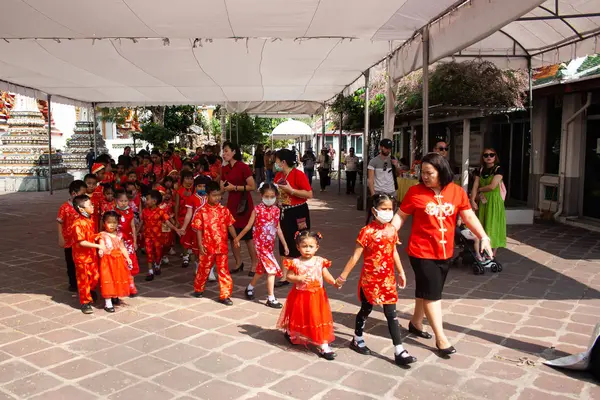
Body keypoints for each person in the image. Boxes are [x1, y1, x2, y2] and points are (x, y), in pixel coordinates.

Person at [391, 152, 493, 355]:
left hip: (445, 250)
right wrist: (389, 233)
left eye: (430, 173)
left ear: (441, 171)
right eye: (423, 173)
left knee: (427, 289)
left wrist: (483, 236)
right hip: (421, 251)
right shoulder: (415, 192)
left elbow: (468, 215)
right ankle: (441, 338)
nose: (425, 177)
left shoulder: (456, 192)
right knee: (433, 295)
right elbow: (401, 215)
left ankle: (416, 323)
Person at [336, 194, 416, 366]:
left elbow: (393, 251)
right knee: (366, 309)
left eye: (390, 209)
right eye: (383, 209)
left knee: (391, 315)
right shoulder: (366, 232)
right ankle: (357, 338)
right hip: (370, 280)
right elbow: (355, 256)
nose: (387, 212)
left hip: (387, 279)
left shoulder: (392, 231)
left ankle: (399, 349)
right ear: (374, 210)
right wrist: (343, 276)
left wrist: (401, 271)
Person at [276, 231, 336, 360]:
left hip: (317, 296)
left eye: (311, 246)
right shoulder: (295, 262)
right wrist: (298, 277)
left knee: (317, 318)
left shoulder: (320, 261)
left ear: (316, 247)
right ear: (298, 247)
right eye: (304, 246)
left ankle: (323, 344)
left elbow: (326, 275)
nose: (307, 249)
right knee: (299, 316)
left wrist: (334, 282)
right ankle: (292, 332)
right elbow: (289, 276)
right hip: (300, 295)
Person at [236, 183, 289, 308]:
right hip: (260, 245)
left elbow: (278, 228)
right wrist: (237, 238)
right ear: (261, 195)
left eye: (272, 196)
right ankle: (271, 298)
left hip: (269, 245)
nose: (269, 199)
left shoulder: (277, 210)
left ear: (276, 196)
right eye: (267, 196)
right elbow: (249, 226)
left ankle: (250, 287)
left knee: (261, 269)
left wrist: (285, 245)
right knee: (271, 270)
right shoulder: (257, 209)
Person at [191, 181, 237, 306]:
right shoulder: (201, 212)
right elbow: (199, 229)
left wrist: (235, 238)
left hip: (221, 247)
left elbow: (230, 225)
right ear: (207, 196)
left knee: (223, 271)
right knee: (203, 268)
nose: (217, 198)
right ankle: (198, 289)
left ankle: (225, 295)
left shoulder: (224, 210)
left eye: (218, 195)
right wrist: (200, 245)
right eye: (214, 195)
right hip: (207, 247)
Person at [273, 148, 313, 288]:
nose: (275, 163)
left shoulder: (298, 175)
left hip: (298, 212)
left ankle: (301, 271)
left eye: (277, 160)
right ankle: (284, 275)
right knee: (283, 241)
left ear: (283, 162)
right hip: (283, 211)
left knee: (299, 240)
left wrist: (292, 191)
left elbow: (309, 194)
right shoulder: (278, 175)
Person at [220, 141, 258, 275]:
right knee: (232, 236)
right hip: (231, 205)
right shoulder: (224, 168)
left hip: (244, 204)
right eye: (223, 151)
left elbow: (252, 186)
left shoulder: (243, 167)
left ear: (234, 151)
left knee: (248, 237)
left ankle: (254, 264)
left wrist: (234, 188)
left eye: (226, 150)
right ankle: (238, 263)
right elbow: (222, 188)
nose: (224, 154)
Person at [71, 195, 105, 314]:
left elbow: (89, 237)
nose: (92, 206)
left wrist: (100, 235)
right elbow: (82, 242)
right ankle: (85, 302)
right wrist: (98, 246)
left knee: (95, 277)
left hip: (91, 256)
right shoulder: (77, 224)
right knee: (83, 280)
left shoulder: (89, 220)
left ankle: (89, 292)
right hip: (82, 258)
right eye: (90, 205)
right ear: (81, 209)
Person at [471, 148, 507, 256]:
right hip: (483, 201)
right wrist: (472, 199)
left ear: (495, 157)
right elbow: (475, 185)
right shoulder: (480, 170)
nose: (489, 157)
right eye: (486, 155)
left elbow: (492, 186)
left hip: (494, 201)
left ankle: (492, 252)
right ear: (482, 157)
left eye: (491, 155)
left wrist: (480, 190)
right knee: (482, 224)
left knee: (493, 225)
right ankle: (482, 248)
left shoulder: (498, 169)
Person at [140, 190, 181, 281]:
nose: (146, 201)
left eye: (147, 199)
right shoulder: (144, 211)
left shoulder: (161, 212)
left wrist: (176, 229)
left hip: (158, 237)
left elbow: (168, 222)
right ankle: (150, 271)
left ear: (154, 201)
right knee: (149, 252)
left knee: (158, 253)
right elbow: (141, 223)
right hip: (147, 236)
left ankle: (157, 264)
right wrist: (137, 232)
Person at [97, 212, 133, 313]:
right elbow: (102, 245)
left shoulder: (119, 235)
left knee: (118, 278)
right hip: (107, 261)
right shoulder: (102, 235)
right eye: (109, 222)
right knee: (108, 279)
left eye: (114, 222)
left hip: (118, 261)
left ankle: (115, 295)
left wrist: (128, 257)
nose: (112, 225)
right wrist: (101, 250)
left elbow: (122, 247)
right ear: (104, 223)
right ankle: (108, 302)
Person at [57, 180, 87, 292]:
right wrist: (61, 237)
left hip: (81, 240)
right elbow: (59, 222)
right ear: (74, 193)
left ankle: (83, 281)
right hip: (69, 240)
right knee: (70, 262)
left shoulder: (84, 206)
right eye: (82, 193)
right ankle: (73, 283)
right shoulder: (64, 207)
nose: (85, 196)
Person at [114, 189, 139, 296]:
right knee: (119, 262)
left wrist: (135, 241)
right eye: (121, 201)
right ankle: (120, 285)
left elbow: (133, 226)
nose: (124, 203)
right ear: (116, 201)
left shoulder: (130, 212)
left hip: (128, 241)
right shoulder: (114, 212)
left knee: (130, 262)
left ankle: (131, 284)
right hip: (118, 241)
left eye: (125, 201)